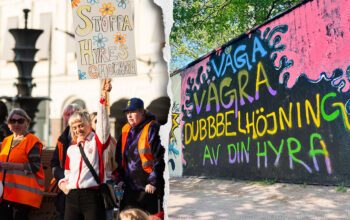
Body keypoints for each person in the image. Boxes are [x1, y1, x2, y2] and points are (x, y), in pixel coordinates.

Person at [58, 79, 112, 220]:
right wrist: (63, 184)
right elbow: (68, 173)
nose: (78, 129)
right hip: (72, 197)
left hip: (92, 196)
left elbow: (103, 123)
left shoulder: (97, 141)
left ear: (88, 124)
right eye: (74, 127)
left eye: (81, 125)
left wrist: (103, 97)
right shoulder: (71, 149)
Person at [115, 97, 165, 216]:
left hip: (147, 188)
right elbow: (120, 158)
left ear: (142, 112)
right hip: (129, 188)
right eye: (127, 113)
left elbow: (159, 157)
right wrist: (120, 179)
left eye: (133, 112)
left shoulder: (152, 127)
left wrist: (153, 182)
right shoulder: (126, 130)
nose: (129, 116)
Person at [0, 108, 45, 220]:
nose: (16, 123)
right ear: (8, 124)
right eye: (12, 121)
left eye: (20, 121)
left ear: (27, 123)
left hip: (22, 195)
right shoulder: (6, 140)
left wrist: (12, 166)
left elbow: (35, 166)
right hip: (5, 193)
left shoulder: (31, 141)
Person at [50, 103, 82, 220]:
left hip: (82, 185)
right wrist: (63, 179)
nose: (68, 117)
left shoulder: (88, 135)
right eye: (66, 115)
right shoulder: (62, 138)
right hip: (65, 185)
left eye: (71, 114)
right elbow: (54, 163)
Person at [90, 111, 117, 220]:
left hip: (107, 186)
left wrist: (114, 175)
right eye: (96, 121)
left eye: (102, 121)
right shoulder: (88, 141)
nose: (100, 124)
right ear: (91, 124)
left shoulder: (112, 141)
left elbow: (117, 164)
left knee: (108, 216)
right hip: (90, 186)